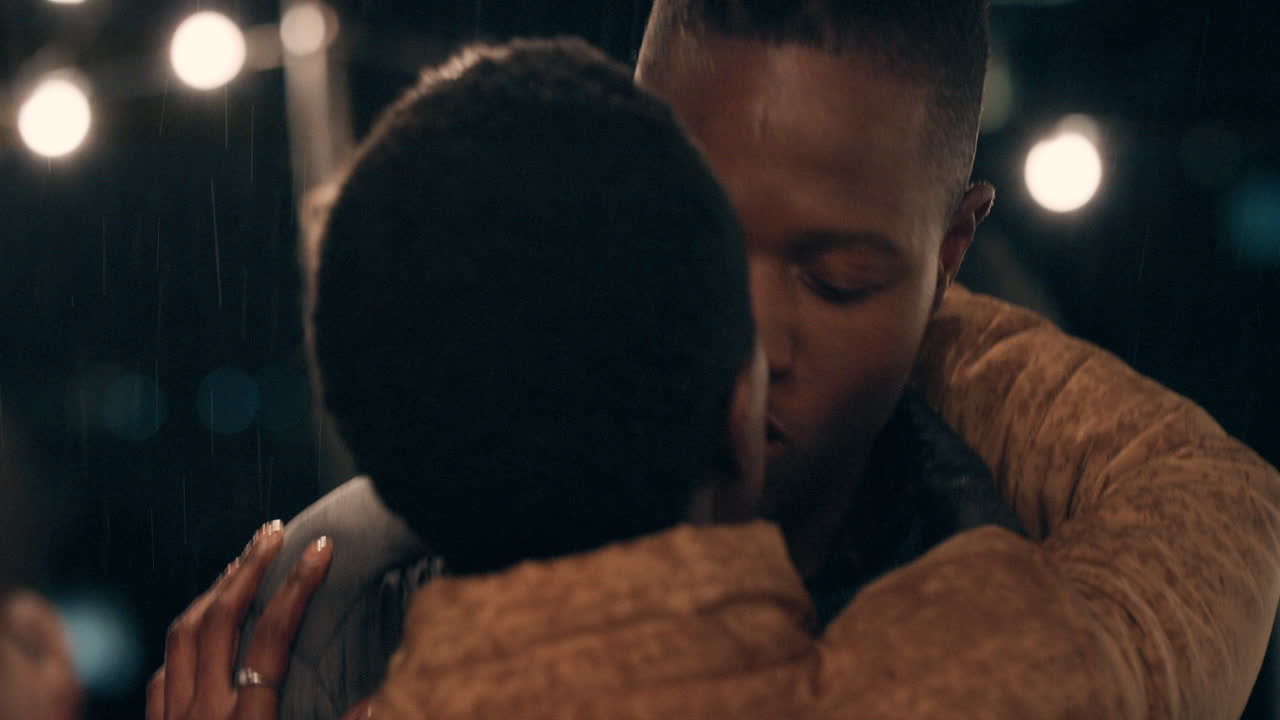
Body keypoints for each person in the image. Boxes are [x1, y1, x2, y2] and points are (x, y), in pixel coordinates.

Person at [160, 1, 1280, 717]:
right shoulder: (327, 601)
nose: (744, 336)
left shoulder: (1029, 597)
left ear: (950, 257)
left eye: (835, 279)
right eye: (691, 232)